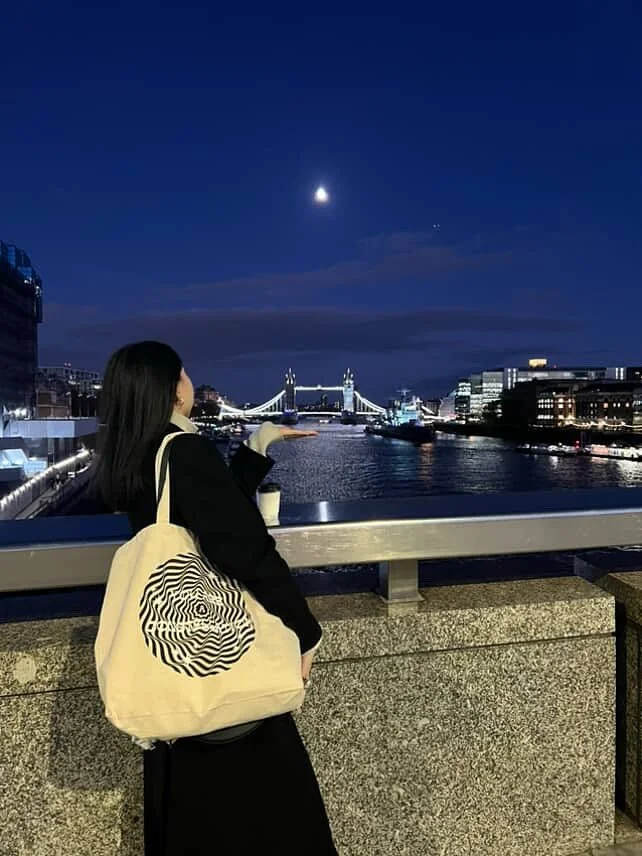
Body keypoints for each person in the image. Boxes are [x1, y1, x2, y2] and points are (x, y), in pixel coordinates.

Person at [95, 341, 338, 856]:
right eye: (183, 374)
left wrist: (255, 447)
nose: (190, 380)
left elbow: (201, 511)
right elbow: (243, 546)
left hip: (175, 670)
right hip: (225, 692)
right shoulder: (183, 450)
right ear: (171, 390)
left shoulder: (140, 455)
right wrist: (305, 630)